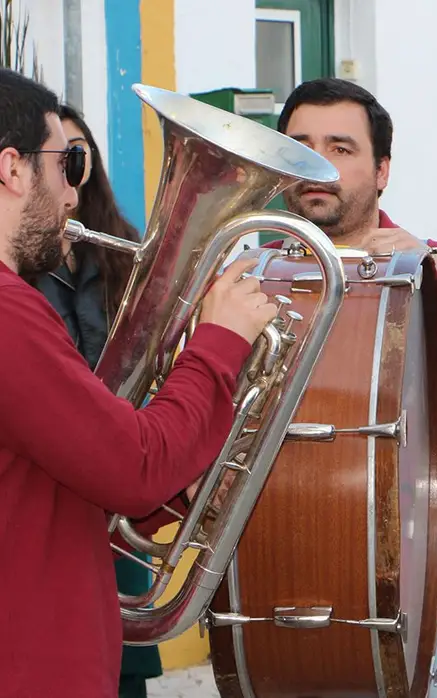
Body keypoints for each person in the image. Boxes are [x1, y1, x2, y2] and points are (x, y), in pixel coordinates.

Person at [0, 67, 277, 697]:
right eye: (66, 164)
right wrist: (221, 341)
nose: (73, 195)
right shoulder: (8, 312)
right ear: (13, 169)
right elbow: (136, 464)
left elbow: (72, 484)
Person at [267, 77, 437, 697]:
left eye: (340, 148)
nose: (317, 163)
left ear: (382, 170)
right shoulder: (248, 278)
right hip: (288, 575)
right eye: (300, 145)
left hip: (434, 575)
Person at [27, 103, 164, 698]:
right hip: (65, 477)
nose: (70, 181)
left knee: (119, 657)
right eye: (61, 161)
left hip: (112, 496)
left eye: (78, 160)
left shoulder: (122, 251)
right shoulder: (23, 270)